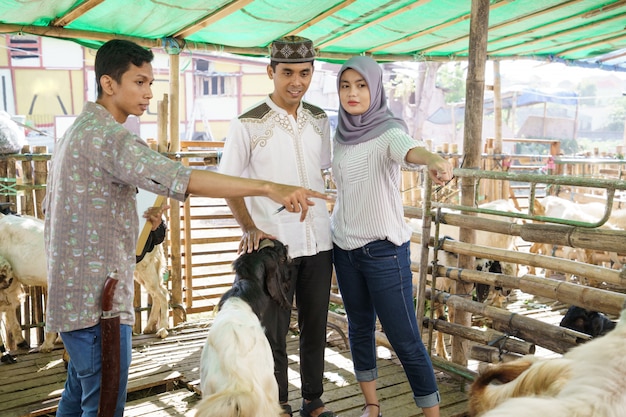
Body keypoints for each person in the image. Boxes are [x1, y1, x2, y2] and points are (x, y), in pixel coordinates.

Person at [43, 39, 329, 417]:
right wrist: (267, 187)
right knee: (102, 404)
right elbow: (182, 178)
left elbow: (66, 207)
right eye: (140, 82)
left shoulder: (78, 132)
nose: (148, 93)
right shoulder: (109, 137)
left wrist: (140, 221)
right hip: (100, 302)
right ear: (109, 84)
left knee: (78, 396)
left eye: (150, 83)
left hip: (76, 296)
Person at [218, 36, 336, 417]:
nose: (296, 82)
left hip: (319, 240)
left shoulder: (320, 120)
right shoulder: (247, 124)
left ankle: (313, 402)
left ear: (312, 72)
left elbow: (326, 170)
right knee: (273, 333)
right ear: (271, 72)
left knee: (316, 324)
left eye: (304, 73)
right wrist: (249, 226)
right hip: (273, 247)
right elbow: (228, 182)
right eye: (287, 73)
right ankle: (278, 404)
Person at [330, 56, 453, 417]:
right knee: (359, 329)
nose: (353, 93)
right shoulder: (339, 135)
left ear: (376, 88)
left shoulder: (388, 131)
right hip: (343, 247)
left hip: (383, 251)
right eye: (345, 85)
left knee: (405, 340)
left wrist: (432, 159)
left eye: (361, 85)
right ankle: (372, 405)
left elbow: (409, 149)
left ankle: (432, 414)